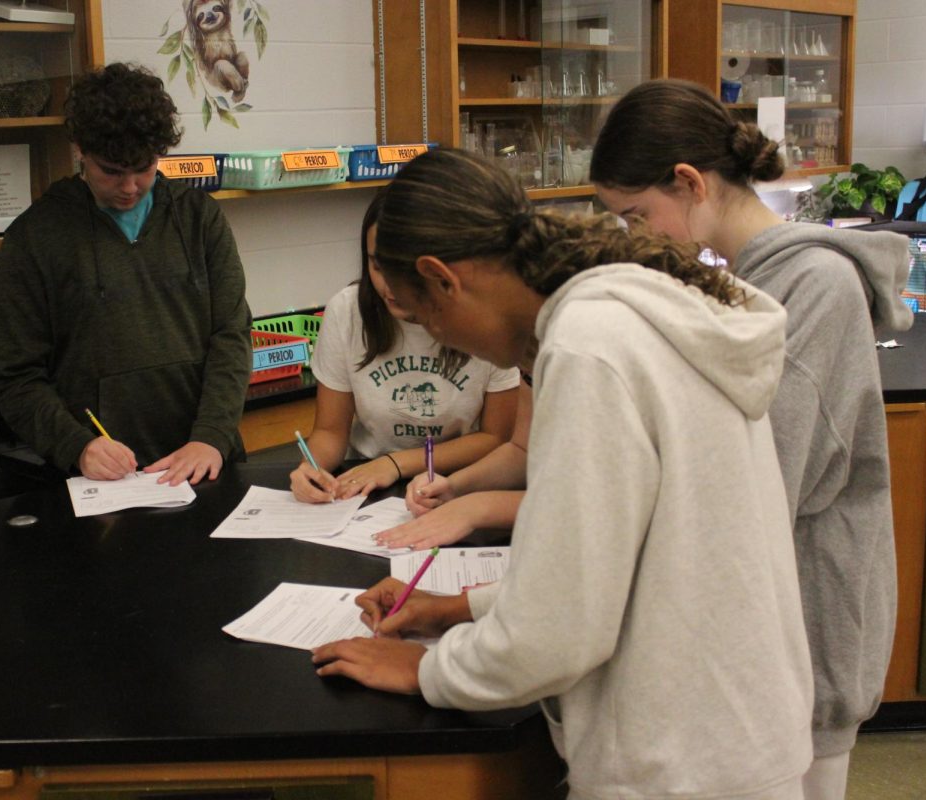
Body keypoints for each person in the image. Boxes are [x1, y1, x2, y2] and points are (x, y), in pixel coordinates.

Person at [312, 149, 814, 798]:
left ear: (443, 279)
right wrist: (459, 609)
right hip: (730, 727)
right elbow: (609, 565)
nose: (443, 340)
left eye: (423, 316)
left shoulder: (589, 346)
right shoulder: (635, 313)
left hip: (680, 758)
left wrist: (426, 673)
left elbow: (557, 636)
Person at [589, 78, 914, 799]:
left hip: (806, 637)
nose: (635, 238)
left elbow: (756, 484)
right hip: (754, 638)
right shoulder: (737, 282)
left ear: (690, 183)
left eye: (637, 215)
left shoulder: (816, 287)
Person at [0, 62, 252, 485]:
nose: (129, 187)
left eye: (144, 168)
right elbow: (15, 377)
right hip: (100, 480)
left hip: (204, 464)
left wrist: (212, 436)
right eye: (111, 171)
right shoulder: (35, 237)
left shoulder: (199, 218)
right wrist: (77, 446)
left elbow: (232, 335)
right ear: (80, 149)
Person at [290, 191, 519, 503]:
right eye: (377, 265)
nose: (390, 284)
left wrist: (396, 464)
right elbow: (330, 431)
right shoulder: (347, 312)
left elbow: (497, 438)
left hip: (460, 481)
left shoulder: (482, 316)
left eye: (404, 267)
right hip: (366, 484)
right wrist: (310, 469)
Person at [372, 380, 530, 550]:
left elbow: (562, 505)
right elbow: (523, 451)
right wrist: (453, 486)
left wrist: (479, 507)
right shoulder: (531, 369)